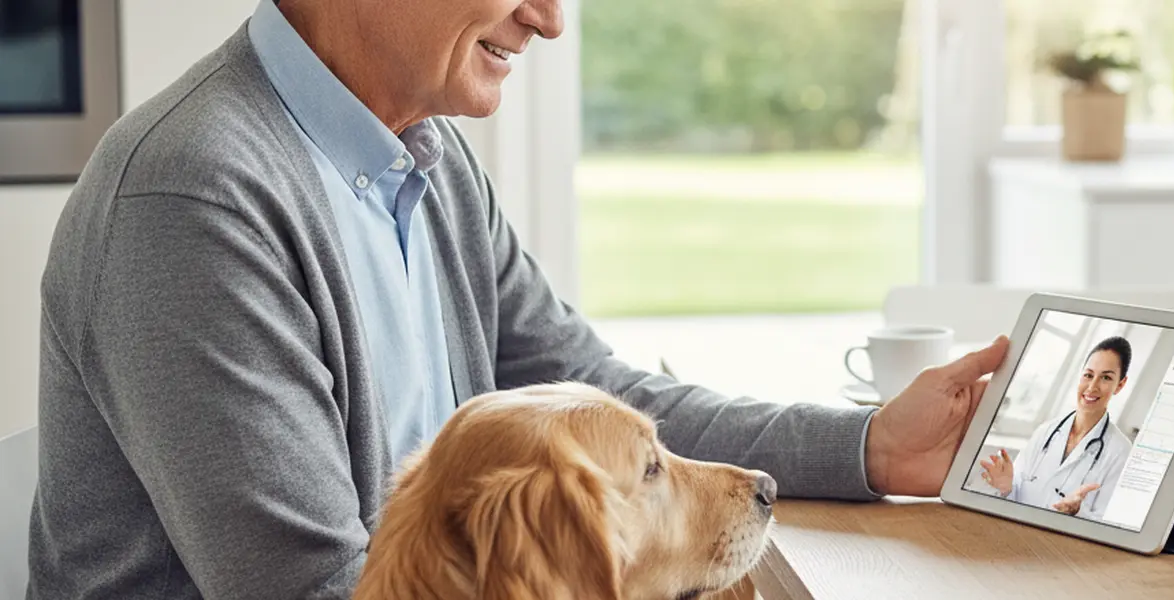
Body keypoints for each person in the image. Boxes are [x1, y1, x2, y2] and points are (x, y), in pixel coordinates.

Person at [26, 0, 1010, 597]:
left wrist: (868, 444)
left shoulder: (423, 158)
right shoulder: (195, 201)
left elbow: (593, 397)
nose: (547, 19)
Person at [979, 336, 1134, 520]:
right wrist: (1006, 487)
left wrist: (1077, 512)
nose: (1092, 387)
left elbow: (1111, 523)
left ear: (1120, 385)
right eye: (1088, 375)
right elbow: (1016, 496)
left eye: (1106, 377)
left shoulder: (1120, 451)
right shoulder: (1046, 431)